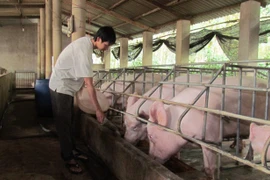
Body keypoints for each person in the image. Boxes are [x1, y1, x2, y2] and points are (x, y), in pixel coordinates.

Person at [49, 26, 116, 174]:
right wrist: (98, 110)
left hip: (66, 86)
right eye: (105, 45)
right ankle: (68, 158)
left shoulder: (86, 43)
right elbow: (90, 85)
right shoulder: (84, 51)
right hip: (61, 87)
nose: (106, 48)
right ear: (98, 39)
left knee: (70, 120)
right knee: (64, 124)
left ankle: (72, 150)